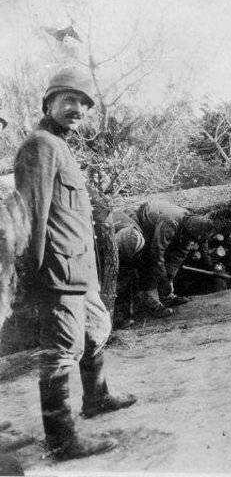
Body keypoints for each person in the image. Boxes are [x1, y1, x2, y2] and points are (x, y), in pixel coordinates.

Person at [14, 67, 136, 460]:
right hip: (58, 271)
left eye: (84, 103)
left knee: (97, 328)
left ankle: (96, 398)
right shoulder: (40, 146)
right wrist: (34, 279)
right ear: (48, 102)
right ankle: (61, 440)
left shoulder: (60, 146)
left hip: (81, 269)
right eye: (69, 100)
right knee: (61, 351)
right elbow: (31, 215)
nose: (78, 109)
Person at [132, 201, 217, 315]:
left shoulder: (193, 226)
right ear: (190, 232)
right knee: (148, 260)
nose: (193, 241)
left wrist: (169, 277)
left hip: (162, 226)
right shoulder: (170, 223)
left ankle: (167, 297)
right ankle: (152, 304)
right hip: (144, 221)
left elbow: (179, 255)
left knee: (167, 263)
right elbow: (156, 254)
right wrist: (163, 280)